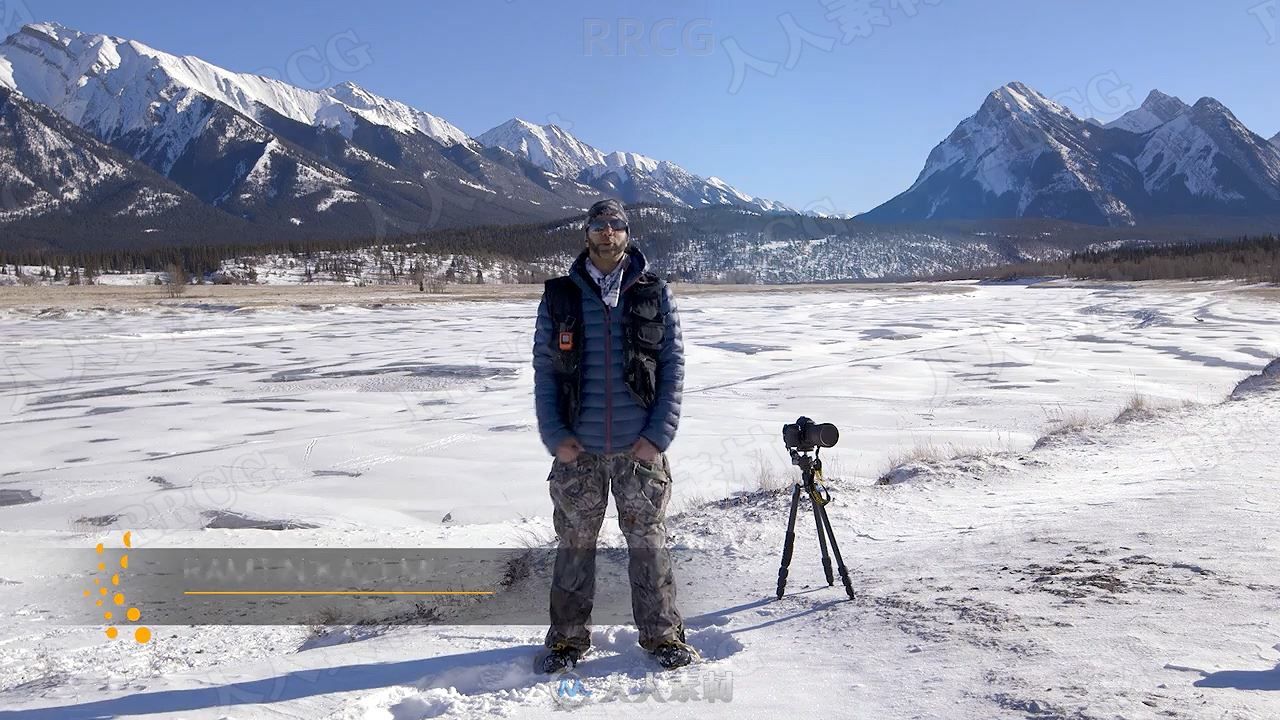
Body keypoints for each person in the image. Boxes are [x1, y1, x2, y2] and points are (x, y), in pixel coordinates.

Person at [531, 198, 695, 672]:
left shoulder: (653, 292)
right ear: (587, 233)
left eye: (616, 225)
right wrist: (555, 435)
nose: (607, 232)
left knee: (649, 544)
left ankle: (663, 635)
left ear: (628, 233)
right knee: (575, 545)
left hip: (638, 449)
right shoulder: (561, 296)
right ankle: (566, 640)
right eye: (599, 225)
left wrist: (659, 435)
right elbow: (545, 370)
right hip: (577, 450)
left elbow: (672, 366)